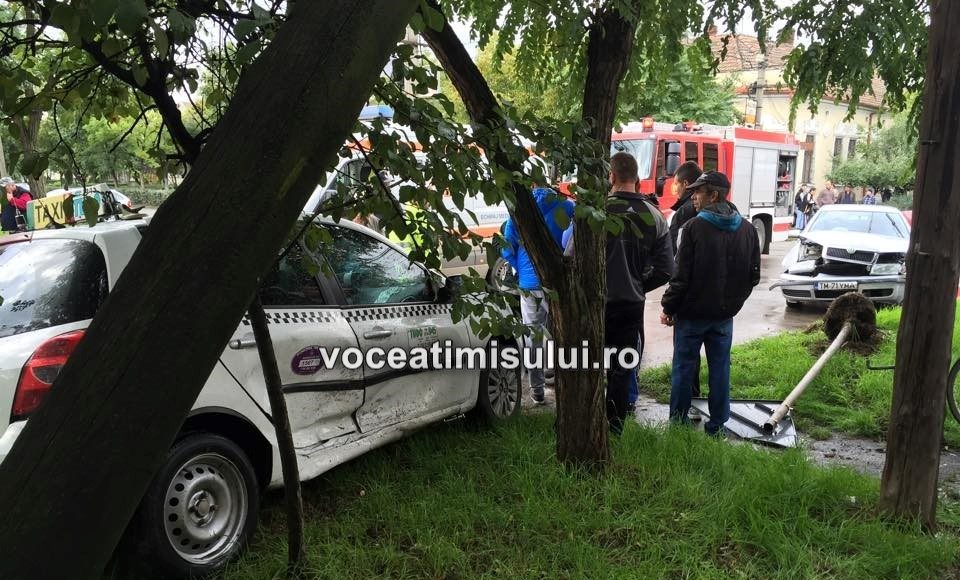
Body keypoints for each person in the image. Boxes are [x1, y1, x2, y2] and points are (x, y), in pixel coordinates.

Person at [660, 170, 760, 437]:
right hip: (724, 317)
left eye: (698, 192)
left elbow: (680, 278)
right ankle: (717, 425)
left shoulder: (691, 229)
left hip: (691, 316)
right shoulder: (749, 230)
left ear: (713, 195)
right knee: (720, 369)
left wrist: (669, 307)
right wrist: (732, 303)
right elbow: (753, 277)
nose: (693, 197)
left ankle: (678, 425)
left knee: (683, 368)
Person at [593, 152, 674, 434]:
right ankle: (613, 429)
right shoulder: (654, 216)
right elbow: (666, 269)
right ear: (637, 180)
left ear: (611, 177)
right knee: (622, 367)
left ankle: (589, 424)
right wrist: (638, 283)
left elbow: (571, 257)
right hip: (630, 306)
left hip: (595, 304)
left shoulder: (596, 213)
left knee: (586, 362)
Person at [501, 187, 574, 405]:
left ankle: (537, 390)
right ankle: (564, 379)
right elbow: (572, 240)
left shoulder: (519, 211)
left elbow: (507, 249)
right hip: (557, 281)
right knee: (562, 329)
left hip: (529, 284)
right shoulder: (567, 206)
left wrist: (522, 269)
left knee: (533, 335)